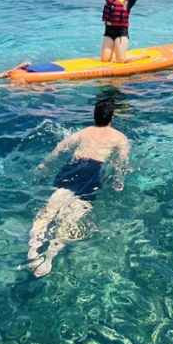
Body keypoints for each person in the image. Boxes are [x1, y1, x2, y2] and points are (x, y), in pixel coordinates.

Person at [25, 98, 130, 278]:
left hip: (72, 166)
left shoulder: (85, 131)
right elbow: (123, 161)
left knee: (51, 208)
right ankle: (50, 254)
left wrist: (45, 164)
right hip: (92, 171)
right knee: (73, 215)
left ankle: (33, 248)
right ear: (112, 117)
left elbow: (61, 147)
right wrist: (119, 179)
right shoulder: (119, 137)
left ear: (94, 116)